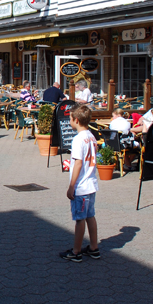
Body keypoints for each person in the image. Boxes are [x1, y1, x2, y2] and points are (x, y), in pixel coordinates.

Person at [60, 105, 100, 263]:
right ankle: (94, 247)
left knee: (80, 219)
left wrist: (71, 186)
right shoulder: (91, 136)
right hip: (91, 183)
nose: (69, 121)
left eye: (70, 118)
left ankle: (76, 251)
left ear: (76, 120)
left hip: (81, 186)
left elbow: (77, 163)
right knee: (90, 216)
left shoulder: (78, 139)